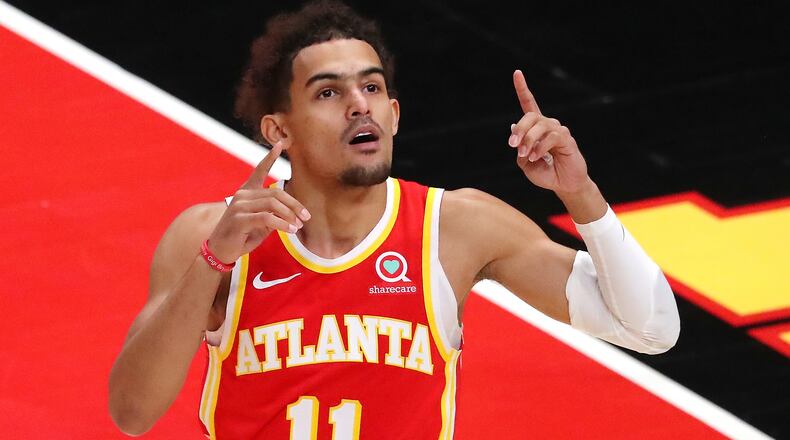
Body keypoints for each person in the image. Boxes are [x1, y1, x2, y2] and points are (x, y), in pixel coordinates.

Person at [108, 1, 680, 438]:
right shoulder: (210, 235)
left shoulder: (456, 226)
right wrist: (214, 260)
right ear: (279, 130)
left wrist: (580, 195)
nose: (360, 104)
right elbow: (132, 413)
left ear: (394, 115)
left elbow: (651, 329)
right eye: (328, 92)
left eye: (372, 87)